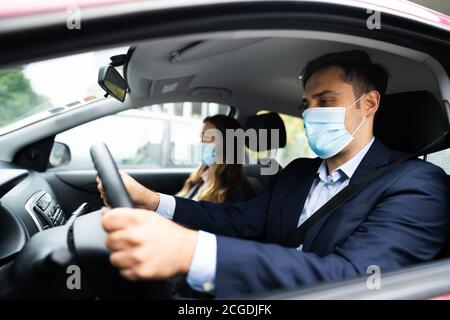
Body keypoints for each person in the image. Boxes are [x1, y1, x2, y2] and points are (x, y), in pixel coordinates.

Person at [97, 50, 450, 298]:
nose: (311, 114)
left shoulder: (419, 186)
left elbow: (355, 280)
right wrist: (154, 201)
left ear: (369, 104)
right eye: (306, 104)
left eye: (325, 101)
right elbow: (241, 220)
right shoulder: (298, 172)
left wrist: (192, 251)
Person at [176, 114, 255, 203]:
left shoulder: (238, 192)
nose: (201, 142)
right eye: (201, 137)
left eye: (208, 137)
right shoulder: (201, 176)